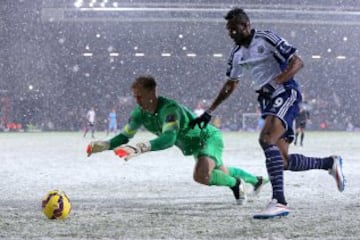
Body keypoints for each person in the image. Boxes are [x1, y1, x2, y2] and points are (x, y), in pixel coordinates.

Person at [189, 8, 345, 219]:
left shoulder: (266, 38)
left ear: (246, 25)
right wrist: (209, 111)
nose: (231, 34)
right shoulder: (236, 54)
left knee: (266, 139)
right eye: (229, 31)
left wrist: (277, 81)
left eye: (234, 29)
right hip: (268, 101)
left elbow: (297, 61)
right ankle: (329, 163)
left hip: (286, 93)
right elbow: (230, 84)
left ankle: (279, 202)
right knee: (282, 161)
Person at [86, 75, 269, 205]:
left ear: (153, 92)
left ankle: (236, 184)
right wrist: (106, 145)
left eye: (140, 95)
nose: (137, 100)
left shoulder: (170, 109)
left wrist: (141, 147)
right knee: (221, 171)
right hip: (195, 145)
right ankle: (256, 180)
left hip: (208, 138)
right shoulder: (138, 113)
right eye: (135, 96)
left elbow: (169, 138)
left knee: (201, 175)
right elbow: (125, 136)